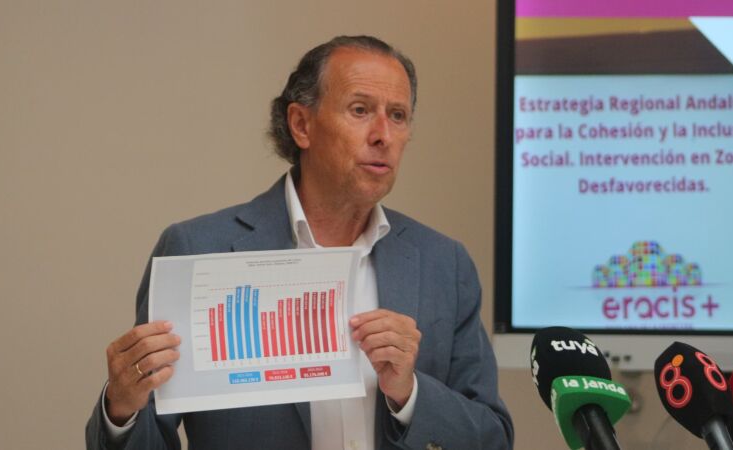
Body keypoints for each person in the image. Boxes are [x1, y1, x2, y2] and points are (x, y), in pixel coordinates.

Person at [86, 35, 513, 450]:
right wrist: (121, 408)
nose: (384, 134)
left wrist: (410, 395)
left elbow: (493, 437)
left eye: (398, 115)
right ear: (301, 125)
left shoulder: (444, 263)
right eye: (360, 110)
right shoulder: (198, 247)